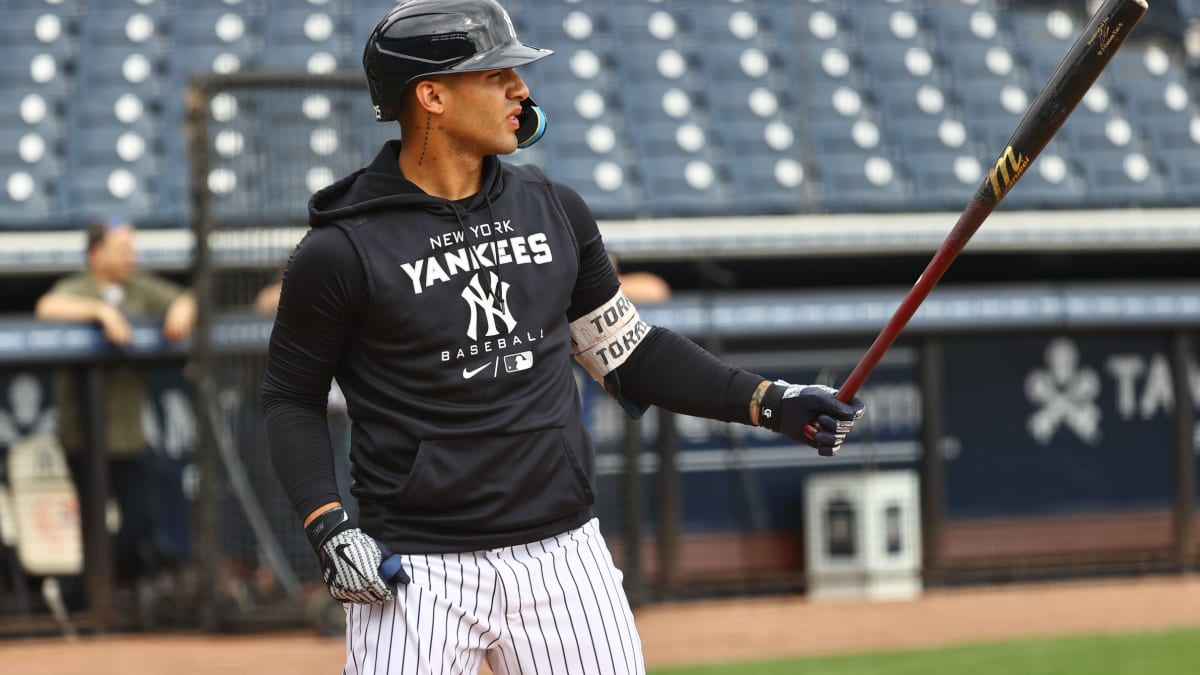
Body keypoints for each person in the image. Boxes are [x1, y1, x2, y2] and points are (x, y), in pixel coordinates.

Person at [261, 1, 864, 673]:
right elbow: (289, 400)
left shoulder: (554, 208)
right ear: (430, 95)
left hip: (562, 556)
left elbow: (628, 353)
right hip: (415, 571)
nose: (521, 90)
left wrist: (771, 401)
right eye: (497, 76)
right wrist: (329, 527)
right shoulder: (339, 250)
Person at [35, 216, 196, 597]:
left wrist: (181, 309)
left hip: (127, 435)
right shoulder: (80, 286)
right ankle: (88, 598)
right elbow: (47, 306)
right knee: (92, 522)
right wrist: (101, 312)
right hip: (83, 436)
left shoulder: (138, 285)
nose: (130, 256)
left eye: (132, 248)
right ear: (96, 254)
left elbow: (186, 297)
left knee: (140, 520)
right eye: (121, 249)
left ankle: (77, 592)